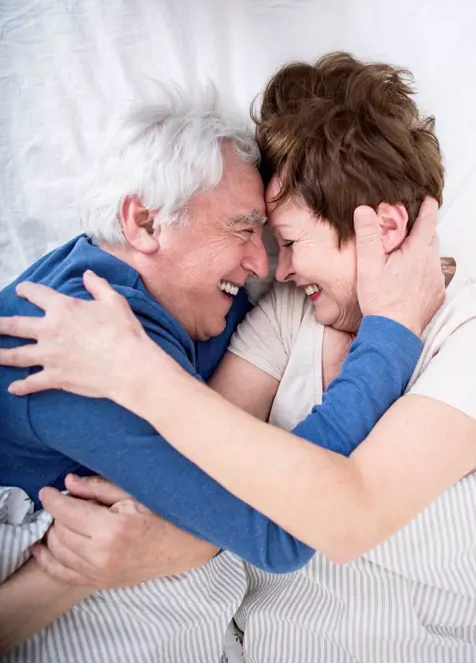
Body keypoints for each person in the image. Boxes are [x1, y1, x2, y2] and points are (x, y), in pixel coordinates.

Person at [2, 53, 475, 663]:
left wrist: (392, 326)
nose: (273, 267)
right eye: (252, 233)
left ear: (384, 227)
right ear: (143, 220)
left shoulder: (460, 334)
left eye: (289, 240)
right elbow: (237, 495)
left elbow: (313, 511)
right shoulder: (275, 316)